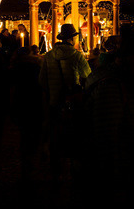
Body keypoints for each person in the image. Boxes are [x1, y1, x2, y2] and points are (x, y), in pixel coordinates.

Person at [39, 23, 91, 178]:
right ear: (72, 38)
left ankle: (55, 164)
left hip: (53, 101)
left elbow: (41, 80)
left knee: (55, 132)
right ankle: (73, 165)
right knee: (73, 132)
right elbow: (88, 75)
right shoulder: (76, 55)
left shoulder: (48, 55)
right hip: (71, 101)